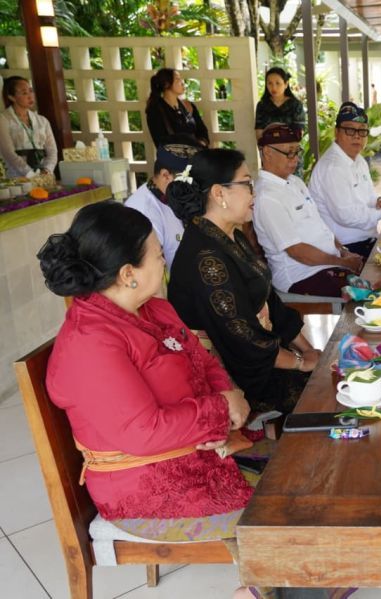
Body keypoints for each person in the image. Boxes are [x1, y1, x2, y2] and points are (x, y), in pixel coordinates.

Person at [38, 200, 252, 539]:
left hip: (200, 452)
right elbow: (144, 432)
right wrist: (222, 409)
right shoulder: (90, 342)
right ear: (127, 273)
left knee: (310, 487)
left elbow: (204, 361)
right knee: (293, 524)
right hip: (147, 487)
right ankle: (258, 592)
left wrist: (228, 405)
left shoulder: (155, 309)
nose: (164, 259)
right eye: (157, 254)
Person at [167, 148, 318, 415]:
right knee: (325, 392)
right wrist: (299, 363)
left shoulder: (228, 235)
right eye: (247, 183)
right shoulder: (206, 258)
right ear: (218, 193)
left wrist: (309, 350)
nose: (254, 192)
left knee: (330, 370)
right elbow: (244, 339)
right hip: (235, 374)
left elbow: (269, 298)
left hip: (261, 354)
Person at [253, 124, 364, 297]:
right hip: (301, 274)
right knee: (365, 293)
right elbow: (297, 252)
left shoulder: (295, 182)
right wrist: (342, 262)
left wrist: (344, 252)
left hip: (327, 264)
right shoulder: (267, 196)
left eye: (297, 152)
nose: (295, 159)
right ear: (267, 152)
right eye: (289, 152)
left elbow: (320, 226)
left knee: (376, 273)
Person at [309, 101, 381, 257]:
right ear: (336, 132)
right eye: (349, 130)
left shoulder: (357, 160)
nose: (357, 137)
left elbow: (368, 196)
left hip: (366, 241)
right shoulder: (333, 167)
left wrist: (380, 200)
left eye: (362, 131)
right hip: (346, 249)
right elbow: (346, 216)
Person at [124, 143, 199, 270]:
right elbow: (148, 271)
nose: (194, 186)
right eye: (189, 179)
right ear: (165, 175)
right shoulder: (144, 211)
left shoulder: (176, 197)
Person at [0, 76, 58, 178]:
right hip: (17, 175)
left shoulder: (42, 120)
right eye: (24, 93)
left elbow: (52, 150)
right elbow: (8, 152)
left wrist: (47, 170)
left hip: (44, 174)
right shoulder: (3, 119)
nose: (30, 96)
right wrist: (30, 174)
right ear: (11, 97)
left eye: (31, 91)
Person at [145, 68, 210, 148]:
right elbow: (160, 141)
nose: (182, 83)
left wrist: (201, 143)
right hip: (173, 158)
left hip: (196, 156)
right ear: (166, 84)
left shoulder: (188, 105)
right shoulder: (155, 110)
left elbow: (202, 131)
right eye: (178, 79)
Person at [254, 67, 306, 140]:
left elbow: (299, 132)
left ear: (286, 84)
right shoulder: (262, 105)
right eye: (270, 83)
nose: (273, 87)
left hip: (290, 148)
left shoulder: (295, 105)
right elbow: (259, 132)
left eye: (278, 83)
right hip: (268, 148)